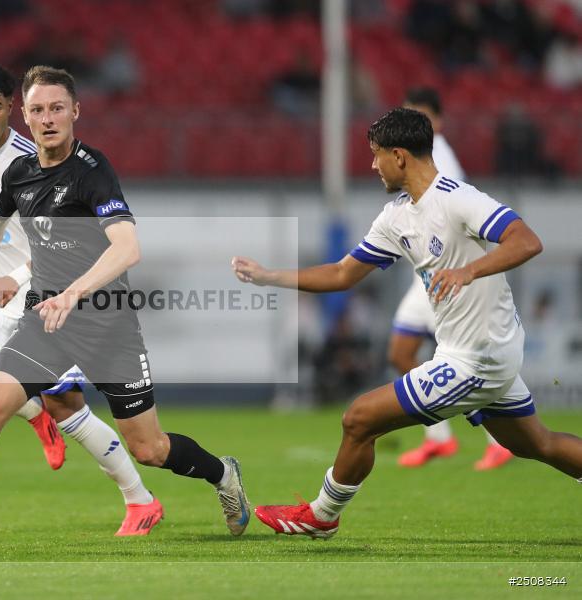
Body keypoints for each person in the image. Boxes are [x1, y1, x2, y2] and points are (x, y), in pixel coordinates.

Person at [0, 65, 250, 539]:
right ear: (27, 116)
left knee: (150, 448)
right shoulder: (20, 172)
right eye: (38, 109)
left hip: (106, 325)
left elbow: (127, 248)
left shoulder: (92, 172)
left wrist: (73, 293)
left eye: (57, 108)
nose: (47, 118)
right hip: (46, 323)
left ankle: (223, 475)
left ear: (75, 111)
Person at [232, 107, 582, 539]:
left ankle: (322, 516)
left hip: (478, 357)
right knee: (536, 444)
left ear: (399, 156)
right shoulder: (397, 216)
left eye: (376, 154)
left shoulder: (458, 199)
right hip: (476, 352)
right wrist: (271, 276)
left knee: (359, 419)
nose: (372, 165)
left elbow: (527, 240)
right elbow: (343, 273)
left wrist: (468, 271)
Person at [393, 87, 513, 470]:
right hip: (424, 275)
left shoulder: (439, 157)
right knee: (401, 352)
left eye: (422, 116)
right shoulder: (414, 156)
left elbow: (451, 213)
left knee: (466, 359)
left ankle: (498, 439)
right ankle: (439, 438)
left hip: (446, 273)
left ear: (438, 122)